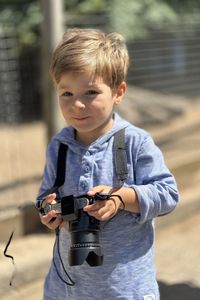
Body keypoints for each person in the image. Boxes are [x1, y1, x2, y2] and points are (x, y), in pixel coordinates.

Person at [36, 28, 179, 300]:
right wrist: (49, 211)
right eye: (66, 93)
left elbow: (168, 194)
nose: (77, 104)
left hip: (125, 289)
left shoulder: (135, 142)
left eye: (90, 92)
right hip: (66, 288)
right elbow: (44, 196)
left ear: (118, 92)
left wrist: (120, 199)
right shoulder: (60, 146)